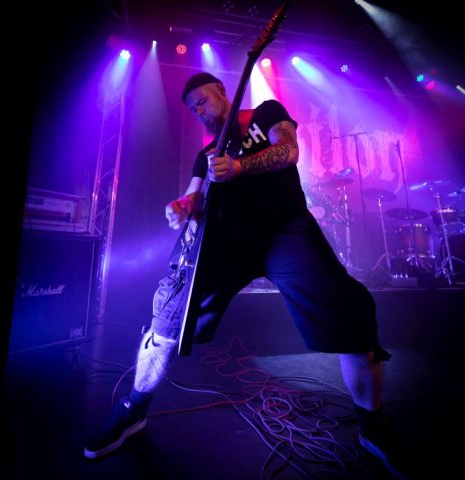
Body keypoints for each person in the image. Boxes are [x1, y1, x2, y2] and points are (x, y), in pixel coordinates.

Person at [84, 72, 405, 478]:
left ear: (222, 91)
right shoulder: (206, 153)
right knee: (166, 320)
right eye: (193, 109)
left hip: (286, 233)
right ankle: (133, 409)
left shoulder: (265, 113)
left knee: (352, 312)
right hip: (227, 243)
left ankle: (373, 426)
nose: (199, 111)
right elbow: (194, 196)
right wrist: (182, 206)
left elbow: (288, 151)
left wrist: (238, 166)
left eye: (202, 101)